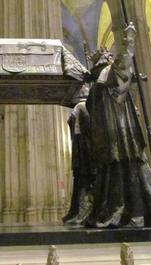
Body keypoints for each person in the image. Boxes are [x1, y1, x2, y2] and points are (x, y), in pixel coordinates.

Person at [84, 23, 151, 228]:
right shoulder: (107, 78)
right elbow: (122, 65)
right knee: (123, 174)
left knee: (115, 174)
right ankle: (128, 213)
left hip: (112, 140)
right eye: (108, 59)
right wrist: (129, 40)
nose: (111, 60)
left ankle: (118, 212)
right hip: (120, 136)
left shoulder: (96, 88)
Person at [62, 86, 95, 225]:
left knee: (83, 182)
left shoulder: (80, 107)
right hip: (89, 150)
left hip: (83, 150)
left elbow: (73, 124)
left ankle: (82, 213)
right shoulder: (88, 107)